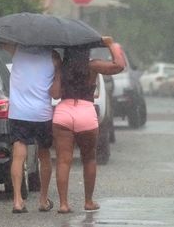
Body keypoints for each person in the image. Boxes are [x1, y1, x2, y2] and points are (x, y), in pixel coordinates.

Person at [50, 36, 125, 214]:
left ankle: (63, 204)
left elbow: (55, 94)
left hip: (64, 112)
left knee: (63, 160)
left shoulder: (62, 67)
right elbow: (119, 65)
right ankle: (88, 201)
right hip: (85, 112)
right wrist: (111, 45)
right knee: (89, 159)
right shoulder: (92, 65)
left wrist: (57, 69)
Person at [1, 43, 61, 214]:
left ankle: (17, 201)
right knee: (44, 154)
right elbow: (56, 89)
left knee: (19, 155)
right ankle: (43, 200)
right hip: (42, 113)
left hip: (19, 112)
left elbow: (2, 43)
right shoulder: (53, 56)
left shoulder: (16, 50)